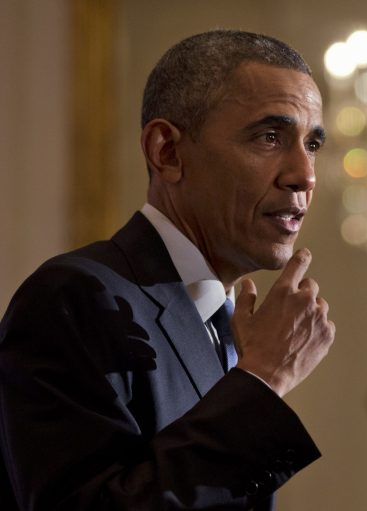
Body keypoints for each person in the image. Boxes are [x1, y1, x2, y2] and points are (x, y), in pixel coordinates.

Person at [0, 30, 335, 510]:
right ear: (168, 152)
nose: (304, 174)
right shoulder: (73, 297)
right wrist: (262, 380)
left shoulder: (227, 327)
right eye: (269, 137)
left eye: (313, 144)